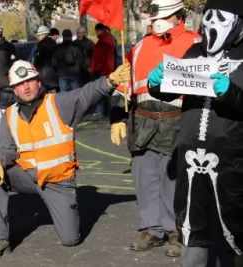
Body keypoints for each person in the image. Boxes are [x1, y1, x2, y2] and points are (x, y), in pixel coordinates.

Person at [0, 60, 131, 260]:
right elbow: (5, 148)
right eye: (19, 84)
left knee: (70, 240)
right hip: (27, 176)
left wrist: (110, 81)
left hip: (58, 182)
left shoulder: (59, 104)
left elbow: (86, 93)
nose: (26, 87)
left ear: (39, 82)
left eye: (30, 81)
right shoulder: (9, 115)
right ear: (14, 90)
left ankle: (63, 209)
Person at [148, 0, 243, 265]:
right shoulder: (195, 52)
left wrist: (231, 92)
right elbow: (171, 86)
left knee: (234, 221)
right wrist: (157, 83)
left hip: (232, 157)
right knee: (190, 223)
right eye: (208, 16)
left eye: (221, 18)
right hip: (190, 156)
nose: (212, 24)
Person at [109, 0, 201, 258]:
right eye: (153, 18)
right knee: (144, 178)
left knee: (173, 181)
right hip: (142, 121)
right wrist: (116, 116)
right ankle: (152, 228)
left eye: (161, 16)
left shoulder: (195, 44)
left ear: (177, 15)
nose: (155, 22)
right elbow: (124, 83)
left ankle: (176, 231)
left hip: (178, 121)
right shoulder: (138, 47)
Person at [91, 23, 116, 117]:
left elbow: (99, 58)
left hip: (102, 71)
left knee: (100, 92)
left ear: (98, 31)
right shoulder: (110, 39)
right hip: (109, 70)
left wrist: (96, 70)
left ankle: (100, 111)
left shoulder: (102, 42)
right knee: (108, 92)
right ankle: (109, 111)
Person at [33, 26, 59, 92]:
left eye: (39, 35)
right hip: (54, 73)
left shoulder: (40, 45)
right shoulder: (54, 43)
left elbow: (37, 60)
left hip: (44, 74)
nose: (38, 37)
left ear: (43, 34)